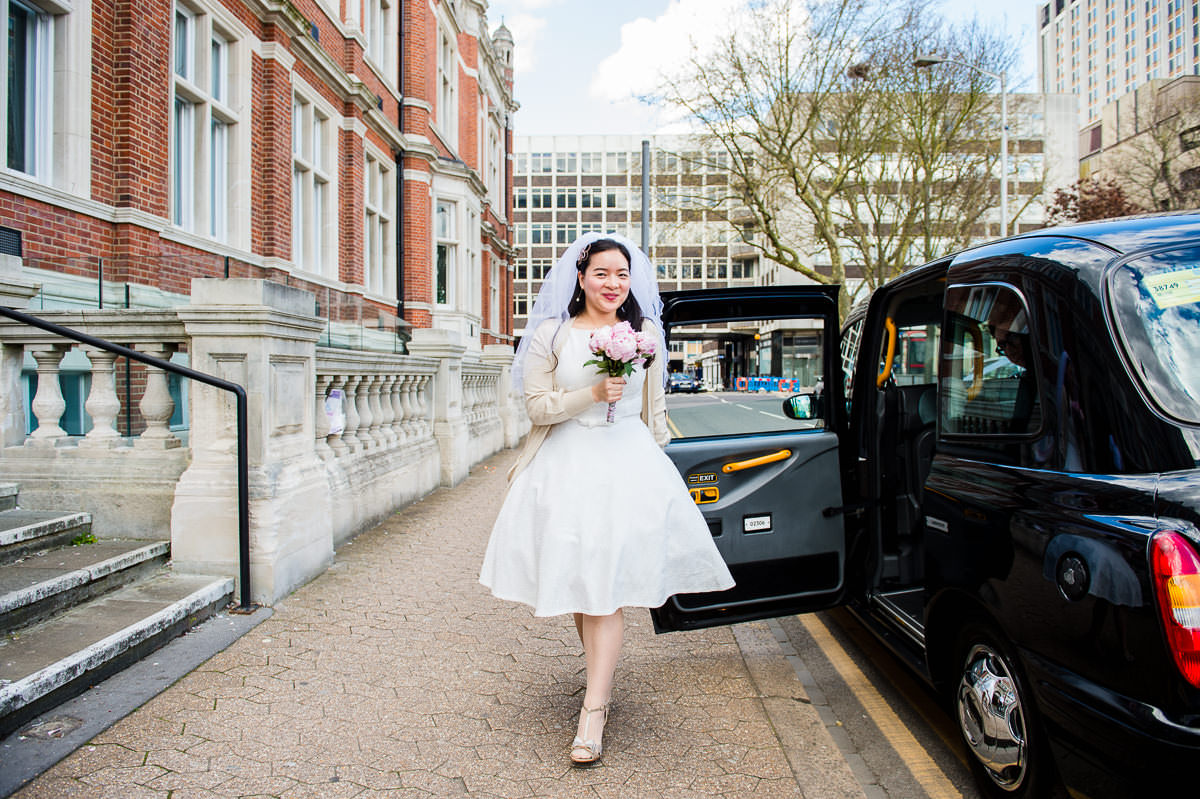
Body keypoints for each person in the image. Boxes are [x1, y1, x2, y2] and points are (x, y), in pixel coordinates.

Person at [479, 232, 735, 767]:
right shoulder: (553, 333)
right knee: (583, 586)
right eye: (602, 273)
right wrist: (591, 393)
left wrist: (665, 472)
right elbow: (536, 409)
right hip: (565, 468)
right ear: (580, 277)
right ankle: (600, 675)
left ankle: (593, 711)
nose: (613, 284)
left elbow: (655, 408)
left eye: (622, 274)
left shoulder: (644, 333)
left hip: (626, 468)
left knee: (605, 590)